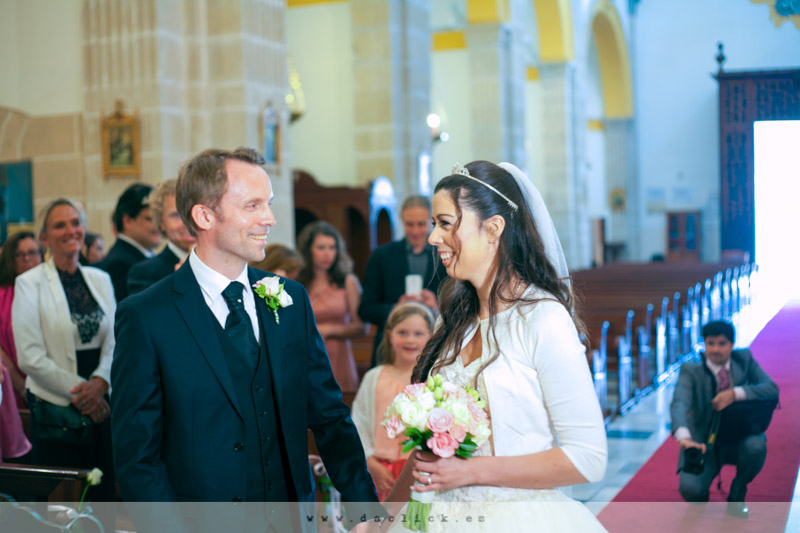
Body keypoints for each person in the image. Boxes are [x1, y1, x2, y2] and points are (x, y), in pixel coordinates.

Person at [110, 148, 380, 532]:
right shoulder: (147, 316)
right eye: (252, 205)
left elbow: (330, 416)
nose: (269, 218)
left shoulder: (290, 299)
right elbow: (138, 457)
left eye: (267, 204)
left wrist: (364, 510)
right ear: (204, 216)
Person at [385, 161, 607, 532]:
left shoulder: (542, 320)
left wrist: (470, 472)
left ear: (493, 228)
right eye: (434, 224)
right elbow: (428, 455)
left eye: (445, 223)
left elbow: (588, 458)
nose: (434, 237)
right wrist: (380, 519)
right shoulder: (452, 322)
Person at [12, 199, 116, 504]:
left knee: (102, 497)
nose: (70, 230)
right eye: (60, 225)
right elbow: (30, 356)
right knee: (65, 505)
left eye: (75, 222)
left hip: (101, 401)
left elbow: (115, 339)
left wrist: (101, 382)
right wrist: (85, 394)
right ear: (44, 237)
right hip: (57, 408)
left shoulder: (101, 279)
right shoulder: (29, 283)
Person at [670, 319, 779, 519]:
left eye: (722, 343)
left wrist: (735, 393)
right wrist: (684, 437)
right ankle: (702, 488)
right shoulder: (691, 370)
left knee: (756, 446)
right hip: (704, 443)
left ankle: (738, 491)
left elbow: (771, 389)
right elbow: (679, 403)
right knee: (691, 491)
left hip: (740, 437)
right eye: (710, 343)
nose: (715, 349)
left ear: (732, 344)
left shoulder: (744, 359)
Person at [352, 302, 434, 501]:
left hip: (419, 472)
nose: (410, 340)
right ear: (389, 335)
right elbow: (359, 421)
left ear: (431, 336)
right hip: (379, 472)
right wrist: (370, 462)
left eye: (418, 333)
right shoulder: (374, 377)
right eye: (402, 332)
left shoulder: (433, 379)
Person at [359, 196, 447, 367]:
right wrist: (397, 307)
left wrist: (437, 305)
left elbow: (459, 307)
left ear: (430, 222)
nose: (415, 230)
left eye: (421, 224)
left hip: (434, 348)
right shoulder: (381, 257)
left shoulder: (444, 254)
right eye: (409, 224)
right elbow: (365, 309)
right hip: (391, 349)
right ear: (401, 221)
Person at [297, 221, 367, 392]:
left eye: (332, 247)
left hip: (338, 355)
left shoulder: (347, 281)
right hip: (306, 353)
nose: (327, 253)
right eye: (321, 247)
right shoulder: (298, 282)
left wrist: (330, 330)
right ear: (308, 250)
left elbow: (362, 327)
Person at [0, 231, 42, 460]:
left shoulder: (50, 290)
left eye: (33, 252)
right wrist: (18, 382)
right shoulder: (3, 294)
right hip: (12, 384)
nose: (27, 259)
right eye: (20, 254)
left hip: (46, 383)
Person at [127, 179, 197, 295]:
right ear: (161, 223)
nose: (188, 223)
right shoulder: (144, 274)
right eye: (176, 215)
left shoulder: (223, 266)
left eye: (193, 213)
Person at [99, 183, 160, 301]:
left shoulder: (141, 256)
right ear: (127, 221)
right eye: (150, 219)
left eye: (159, 218)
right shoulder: (120, 264)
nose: (159, 225)